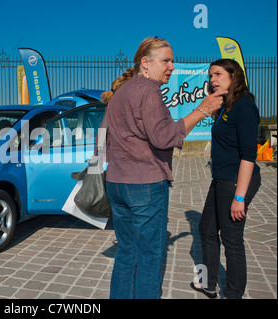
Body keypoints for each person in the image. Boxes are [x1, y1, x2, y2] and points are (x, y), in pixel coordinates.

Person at [100, 37, 226, 299]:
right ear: (145, 64)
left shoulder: (119, 92)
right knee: (149, 258)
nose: (172, 66)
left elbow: (101, 138)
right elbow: (163, 137)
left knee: (126, 252)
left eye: (172, 61)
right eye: (166, 60)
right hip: (145, 185)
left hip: (116, 184)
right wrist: (202, 110)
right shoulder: (149, 90)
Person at [190, 59, 261, 299]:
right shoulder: (226, 107)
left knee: (231, 238)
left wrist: (239, 197)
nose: (213, 80)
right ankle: (209, 282)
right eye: (210, 76)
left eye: (218, 74)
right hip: (221, 179)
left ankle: (233, 294)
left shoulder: (244, 106)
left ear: (234, 76)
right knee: (206, 228)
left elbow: (249, 156)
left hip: (235, 181)